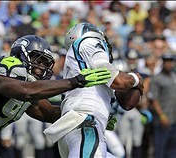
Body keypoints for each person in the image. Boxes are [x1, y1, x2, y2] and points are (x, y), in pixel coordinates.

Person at [0, 34, 112, 158]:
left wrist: (91, 114)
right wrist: (76, 81)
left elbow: (49, 113)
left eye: (46, 63)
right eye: (38, 60)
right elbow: (26, 90)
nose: (41, 67)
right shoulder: (8, 66)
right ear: (21, 55)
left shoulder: (29, 89)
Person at [43, 22, 144, 158]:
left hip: (81, 126)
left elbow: (127, 103)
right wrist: (135, 79)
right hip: (86, 125)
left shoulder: (84, 67)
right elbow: (118, 81)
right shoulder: (88, 41)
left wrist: (134, 87)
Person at [148, 52, 176, 158]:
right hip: (162, 120)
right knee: (160, 149)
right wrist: (162, 116)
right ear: (163, 63)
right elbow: (153, 99)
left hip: (174, 119)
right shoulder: (157, 78)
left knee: (173, 150)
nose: (169, 64)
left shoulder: (174, 76)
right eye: (166, 62)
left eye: (170, 62)